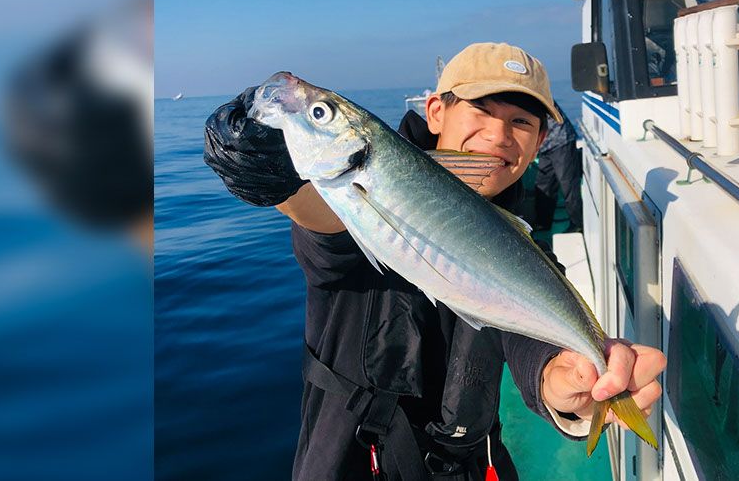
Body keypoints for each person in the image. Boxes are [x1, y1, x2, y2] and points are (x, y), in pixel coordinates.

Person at [204, 42, 665, 481]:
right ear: (436, 111)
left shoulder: (525, 246)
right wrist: (272, 174)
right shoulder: (365, 178)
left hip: (470, 465)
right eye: (481, 109)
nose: (498, 135)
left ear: (542, 139)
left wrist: (566, 384)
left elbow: (532, 346)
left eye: (521, 122)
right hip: (350, 462)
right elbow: (323, 227)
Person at [532, 101, 583, 234]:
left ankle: (578, 223)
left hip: (561, 141)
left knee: (568, 185)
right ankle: (543, 223)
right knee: (543, 184)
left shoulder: (532, 95)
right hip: (545, 146)